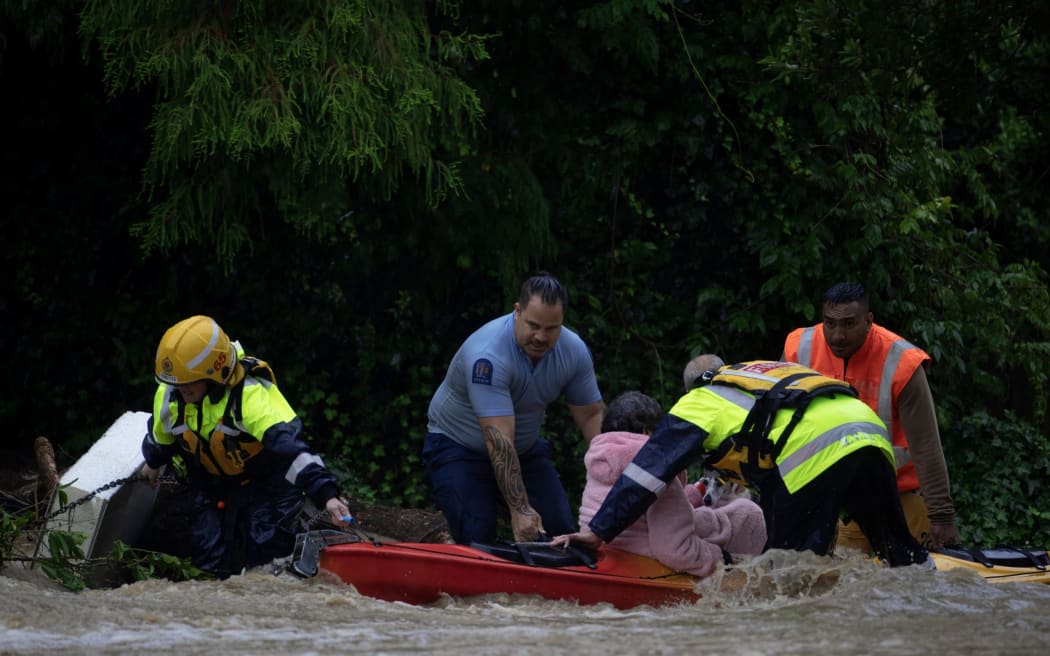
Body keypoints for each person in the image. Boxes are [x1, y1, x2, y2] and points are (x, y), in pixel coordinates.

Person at [552, 357, 931, 568]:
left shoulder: (697, 406)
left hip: (813, 447)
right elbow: (768, 484)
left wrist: (598, 531)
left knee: (789, 567)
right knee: (897, 549)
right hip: (866, 427)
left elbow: (648, 470)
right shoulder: (748, 384)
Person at [141, 315, 351, 578]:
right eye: (175, 383)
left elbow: (291, 450)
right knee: (206, 559)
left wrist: (327, 494)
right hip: (212, 484)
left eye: (187, 382)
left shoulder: (249, 397)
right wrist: (152, 461)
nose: (180, 389)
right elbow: (161, 436)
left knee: (265, 552)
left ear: (215, 374)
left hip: (266, 483)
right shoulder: (170, 395)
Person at [423, 272, 605, 544]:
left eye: (551, 328)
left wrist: (616, 470)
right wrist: (520, 510)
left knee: (561, 531)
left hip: (523, 449)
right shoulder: (488, 356)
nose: (541, 337)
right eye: (533, 325)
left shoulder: (573, 351)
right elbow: (499, 441)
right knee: (478, 540)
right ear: (517, 311)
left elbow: (591, 415)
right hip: (459, 448)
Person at [782, 282, 960, 551]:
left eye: (849, 324)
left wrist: (942, 516)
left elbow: (926, 447)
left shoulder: (902, 364)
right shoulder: (798, 348)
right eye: (829, 324)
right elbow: (779, 424)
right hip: (817, 493)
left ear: (868, 321)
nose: (838, 335)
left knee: (908, 578)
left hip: (894, 495)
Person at [579, 391, 765, 577]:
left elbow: (646, 513)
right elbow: (675, 551)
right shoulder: (653, 470)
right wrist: (726, 562)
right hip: (651, 561)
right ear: (647, 431)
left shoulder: (601, 457)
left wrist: (697, 492)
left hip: (613, 551)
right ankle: (767, 573)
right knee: (746, 511)